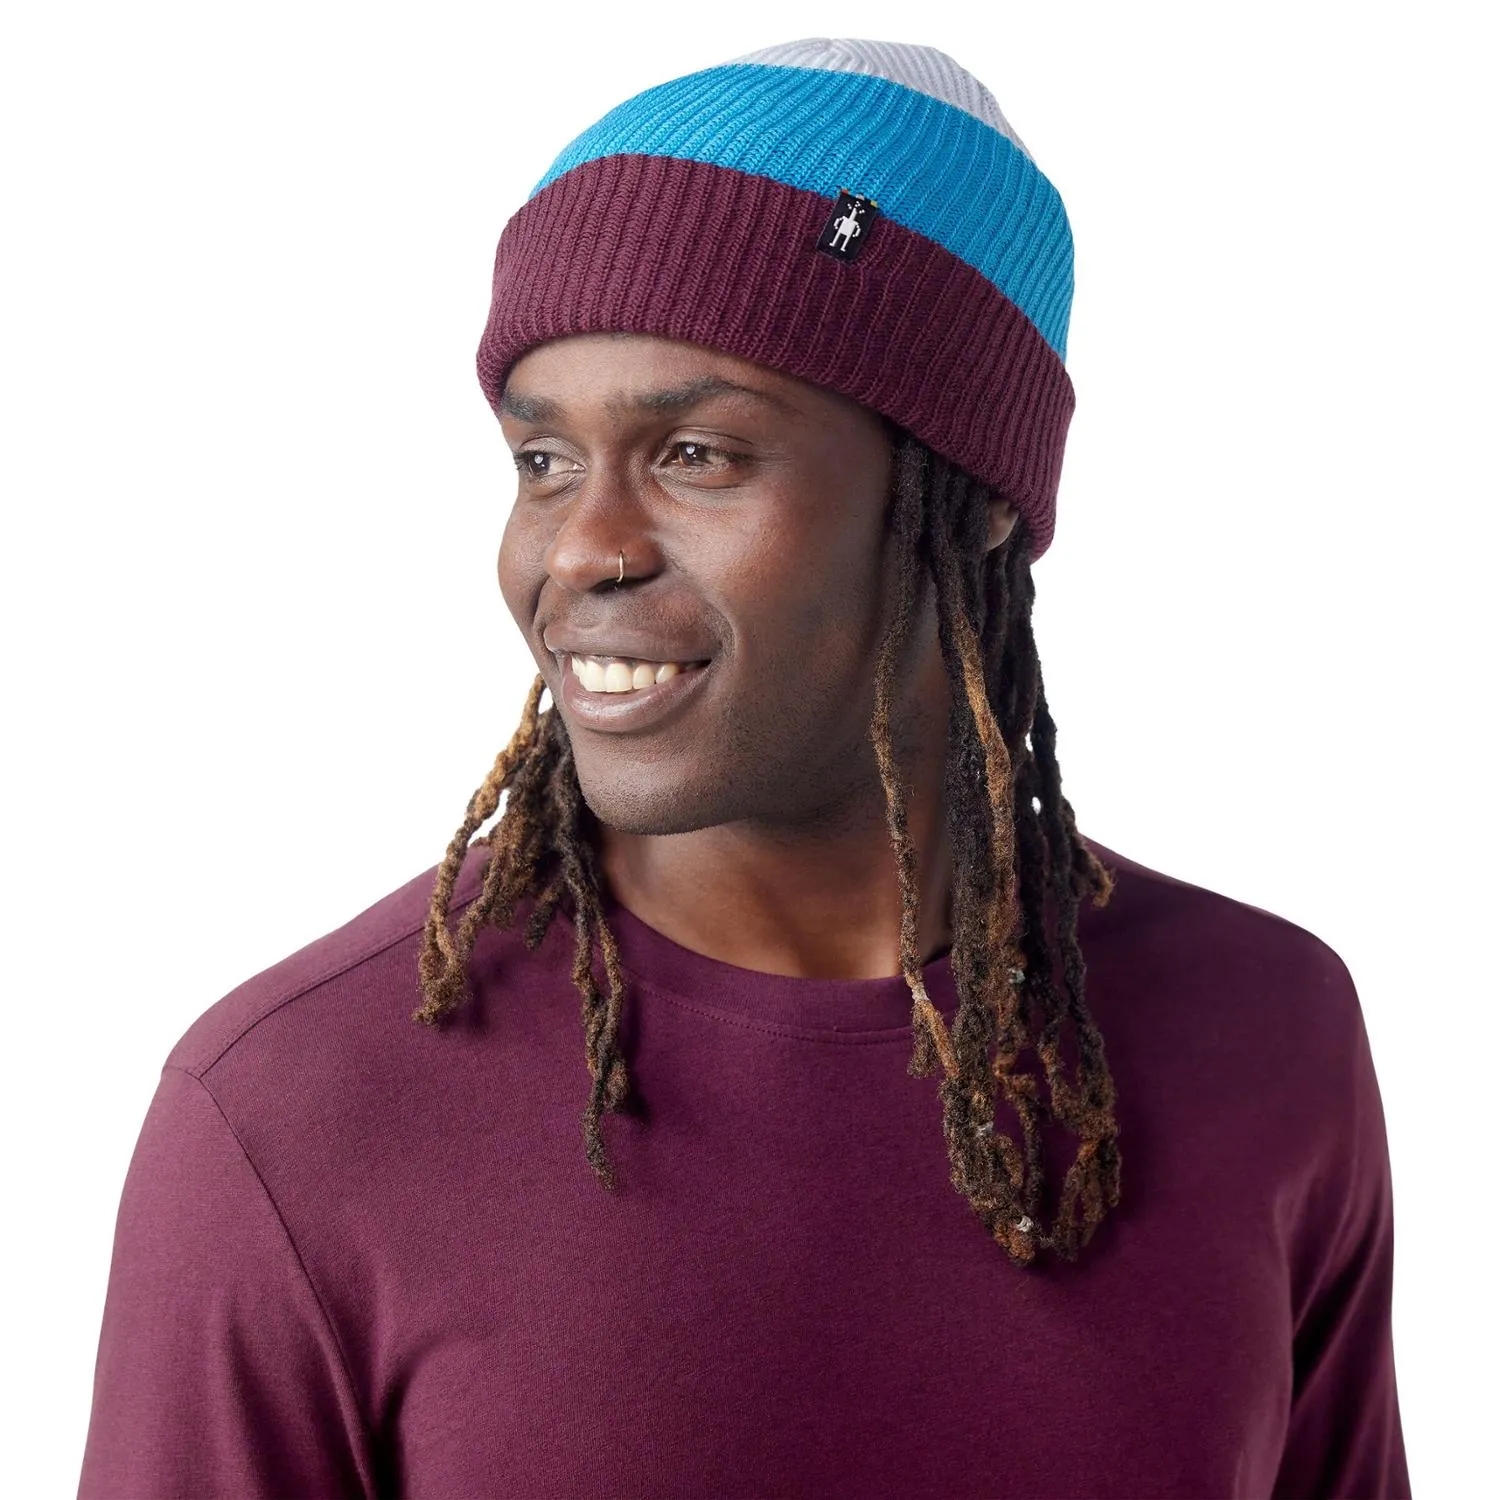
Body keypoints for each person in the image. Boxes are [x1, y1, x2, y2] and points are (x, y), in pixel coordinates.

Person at [77, 36, 1410, 1499]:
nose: (583, 550)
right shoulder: (298, 1109)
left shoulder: (1265, 1034)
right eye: (542, 463)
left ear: (970, 498)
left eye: (699, 453)